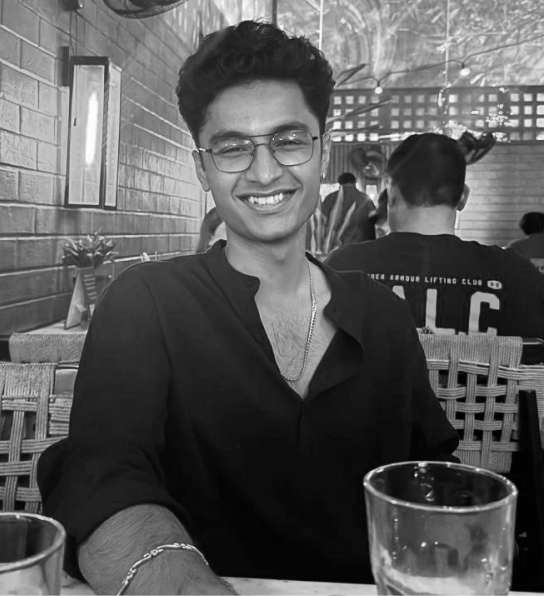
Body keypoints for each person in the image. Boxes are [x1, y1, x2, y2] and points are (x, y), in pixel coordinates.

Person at [38, 22, 458, 596]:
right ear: (202, 168)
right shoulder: (149, 303)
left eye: (289, 140)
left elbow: (428, 485)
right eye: (233, 147)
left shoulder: (381, 315)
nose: (264, 172)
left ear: (321, 150)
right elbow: (103, 480)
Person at [327, 132, 544, 591]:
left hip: (367, 466)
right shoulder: (515, 275)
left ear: (389, 194)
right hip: (488, 478)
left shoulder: (343, 266)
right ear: (463, 196)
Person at [317, 172, 376, 253]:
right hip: (360, 248)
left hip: (335, 250)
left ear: (339, 183)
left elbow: (320, 222)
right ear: (354, 183)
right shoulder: (365, 198)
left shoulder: (330, 198)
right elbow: (374, 220)